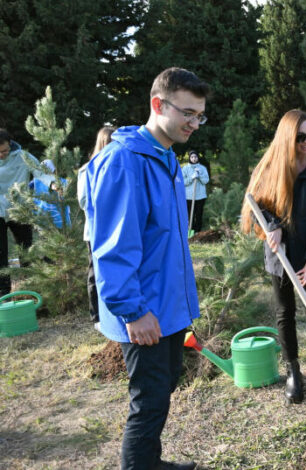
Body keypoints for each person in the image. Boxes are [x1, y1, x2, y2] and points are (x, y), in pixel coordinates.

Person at [84, 67, 208, 470]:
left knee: (164, 387)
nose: (194, 123)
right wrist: (133, 311)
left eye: (199, 115)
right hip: (144, 310)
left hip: (167, 307)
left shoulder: (165, 157)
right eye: (187, 113)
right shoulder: (125, 161)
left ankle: (151, 462)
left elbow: (166, 241)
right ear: (159, 104)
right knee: (149, 400)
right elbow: (114, 248)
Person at [241, 109, 306, 404]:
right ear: (288, 138)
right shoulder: (271, 167)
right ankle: (293, 372)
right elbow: (256, 204)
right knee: (285, 313)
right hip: (280, 253)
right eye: (301, 137)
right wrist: (272, 227)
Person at [78, 126, 115, 326]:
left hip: (116, 231)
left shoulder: (119, 168)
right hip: (95, 231)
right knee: (95, 272)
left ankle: (112, 313)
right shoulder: (87, 170)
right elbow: (83, 201)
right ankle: (96, 315)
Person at [0, 129, 41, 295]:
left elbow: (40, 173)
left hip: (20, 209)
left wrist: (53, 184)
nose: (2, 155)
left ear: (10, 145)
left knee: (26, 251)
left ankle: (33, 289)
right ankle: (4, 294)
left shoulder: (23, 157)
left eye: (4, 151)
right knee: (1, 255)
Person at [28, 159, 70, 229]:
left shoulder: (34, 182)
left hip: (42, 216)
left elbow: (26, 191)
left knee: (46, 236)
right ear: (54, 170)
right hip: (59, 218)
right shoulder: (61, 181)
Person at [182, 150, 209, 233]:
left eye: (195, 157)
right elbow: (182, 182)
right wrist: (191, 178)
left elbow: (206, 181)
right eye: (192, 157)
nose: (194, 159)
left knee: (199, 215)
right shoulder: (185, 168)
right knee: (190, 215)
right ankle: (190, 231)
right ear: (190, 158)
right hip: (189, 196)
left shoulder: (202, 168)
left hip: (200, 196)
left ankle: (197, 232)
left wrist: (199, 175)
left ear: (198, 158)